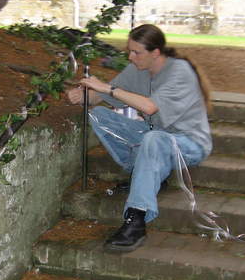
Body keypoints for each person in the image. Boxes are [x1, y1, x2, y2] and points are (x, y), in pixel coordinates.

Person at [66, 24, 213, 252]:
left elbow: (149, 106)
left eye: (136, 52)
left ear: (155, 53)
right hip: (154, 136)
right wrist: (85, 95)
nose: (131, 57)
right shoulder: (138, 69)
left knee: (154, 139)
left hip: (189, 143)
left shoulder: (179, 70)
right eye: (129, 51)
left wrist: (107, 88)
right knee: (100, 116)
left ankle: (136, 220)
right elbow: (107, 96)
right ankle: (147, 174)